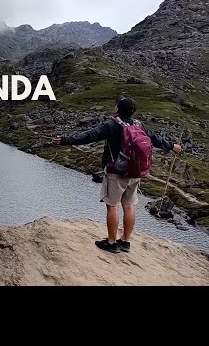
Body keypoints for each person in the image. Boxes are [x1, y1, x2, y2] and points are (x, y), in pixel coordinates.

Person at [52, 96, 183, 253]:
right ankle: (125, 242)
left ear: (117, 109)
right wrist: (172, 146)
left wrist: (64, 140)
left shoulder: (111, 125)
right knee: (129, 205)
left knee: (112, 206)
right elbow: (155, 139)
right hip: (135, 172)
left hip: (116, 172)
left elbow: (89, 136)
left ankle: (112, 243)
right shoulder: (139, 125)